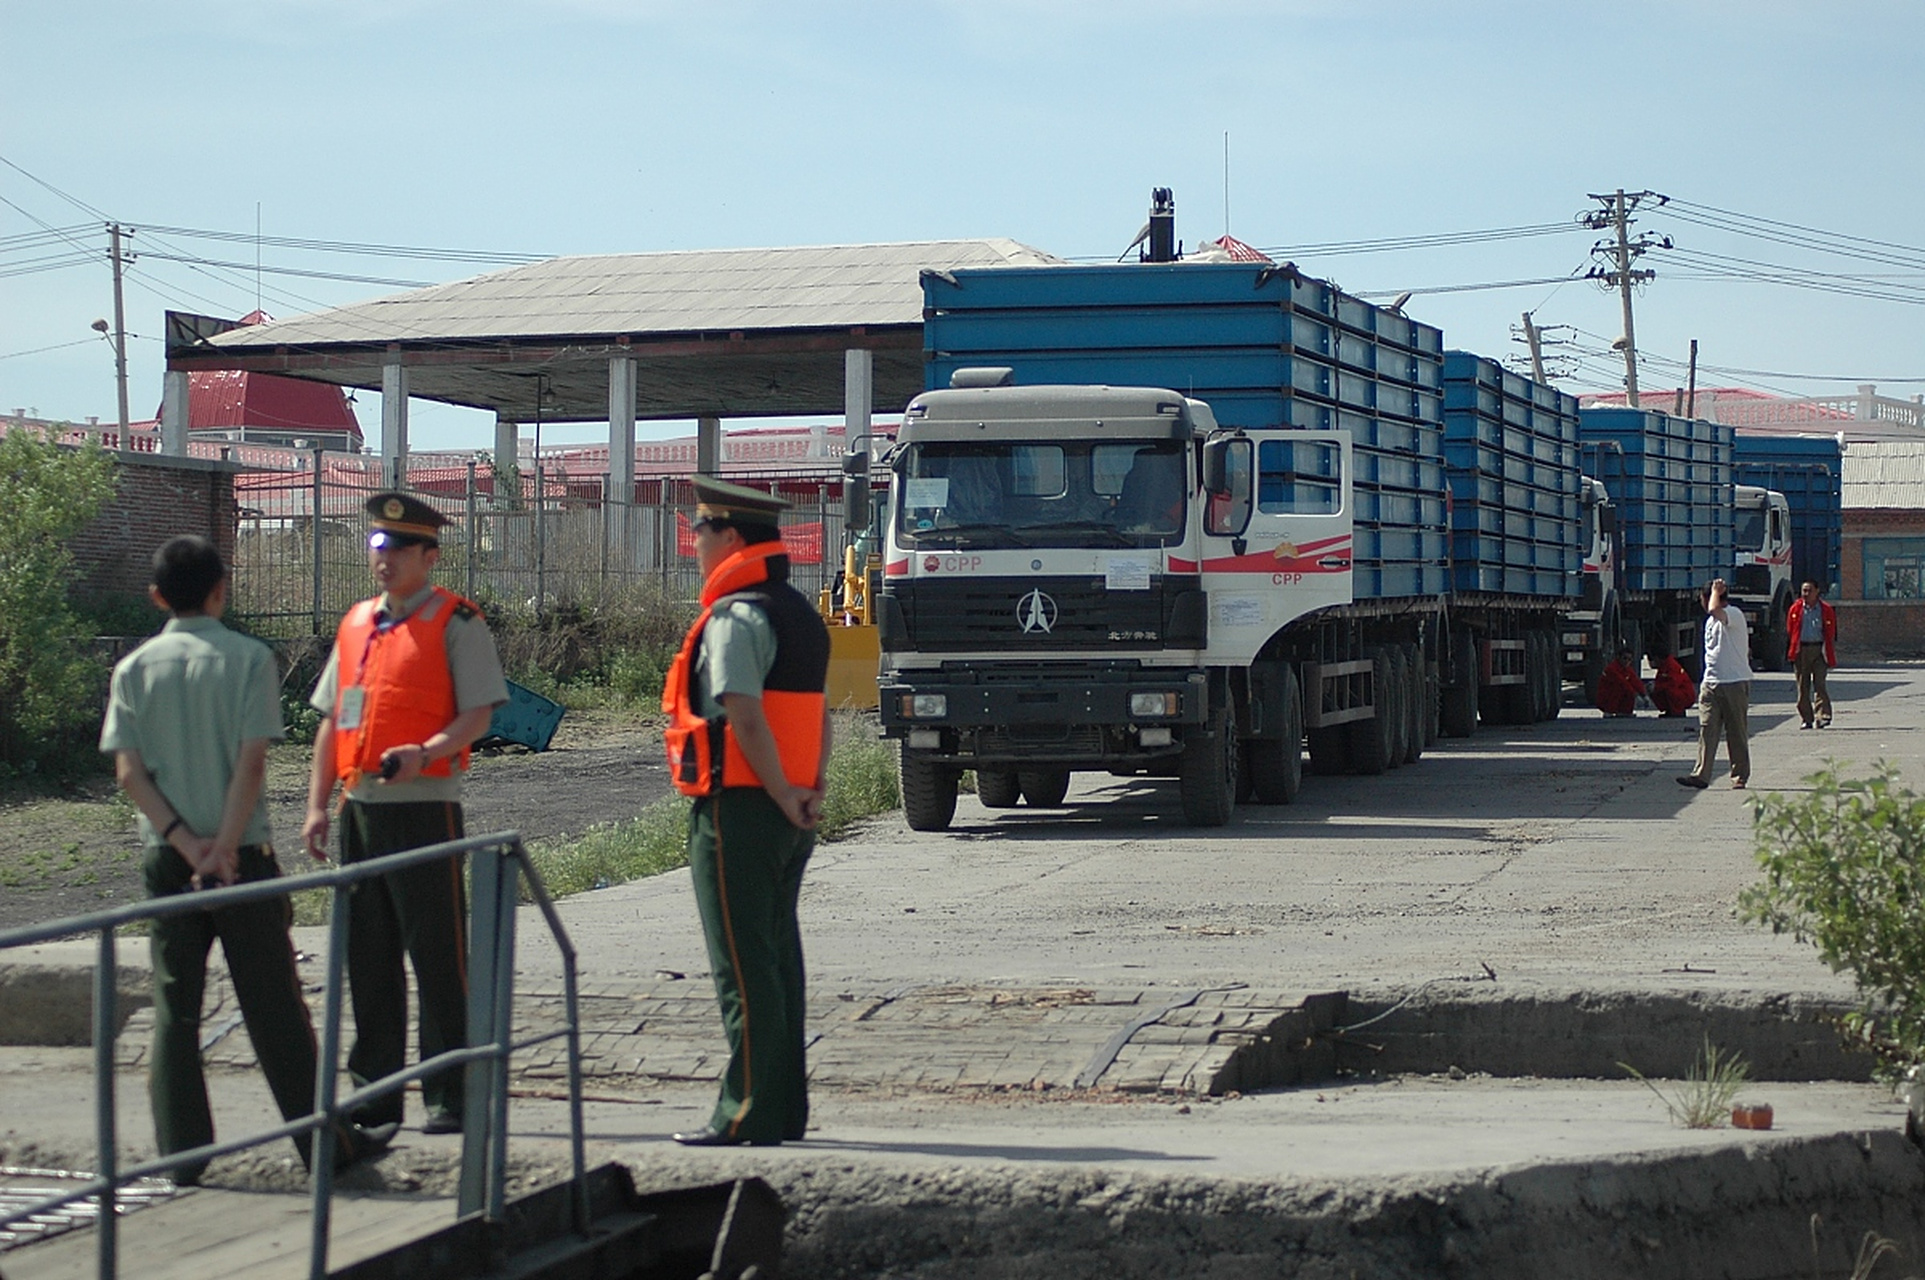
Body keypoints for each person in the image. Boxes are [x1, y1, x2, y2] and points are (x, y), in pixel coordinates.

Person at [100, 536, 392, 1184]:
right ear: (220, 590)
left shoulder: (133, 670)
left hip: (167, 858)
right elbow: (251, 761)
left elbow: (128, 772)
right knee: (275, 1006)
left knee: (176, 1006)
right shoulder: (248, 658)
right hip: (243, 858)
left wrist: (187, 844)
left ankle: (182, 1155)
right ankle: (325, 1148)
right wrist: (225, 848)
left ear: (155, 598)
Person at [303, 492, 508, 1135]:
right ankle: (375, 1093)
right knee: (367, 955)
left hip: (425, 811)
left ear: (430, 555)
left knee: (438, 957)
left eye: (396, 547)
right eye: (375, 545)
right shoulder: (357, 622)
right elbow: (334, 719)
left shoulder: (458, 622)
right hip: (359, 808)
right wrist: (315, 806)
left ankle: (449, 1093)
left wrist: (427, 752)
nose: (383, 558)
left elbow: (478, 714)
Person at [661, 477, 831, 1147]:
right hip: (787, 809)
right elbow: (818, 713)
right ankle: (781, 1109)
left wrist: (781, 792)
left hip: (739, 807)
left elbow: (742, 710)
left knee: (742, 963)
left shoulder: (736, 614)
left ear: (729, 537)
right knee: (776, 960)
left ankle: (746, 1111)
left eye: (699, 530)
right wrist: (808, 788)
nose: (693, 542)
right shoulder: (796, 611)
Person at [1678, 577, 1753, 791]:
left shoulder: (1733, 614)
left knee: (1736, 731)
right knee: (1707, 729)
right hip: (1711, 682)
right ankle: (1701, 774)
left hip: (1734, 682)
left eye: (1704, 598)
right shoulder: (1710, 622)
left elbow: (1714, 610)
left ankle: (1739, 775)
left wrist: (1715, 593)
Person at [1786, 580, 1838, 729]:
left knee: (1820, 684)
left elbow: (1831, 630)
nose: (1805, 594)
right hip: (1801, 650)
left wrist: (1827, 651)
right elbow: (1790, 629)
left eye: (1809, 590)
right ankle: (1806, 718)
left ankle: (1823, 716)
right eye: (1803, 591)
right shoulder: (1795, 609)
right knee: (1803, 686)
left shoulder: (1826, 609)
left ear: (1817, 591)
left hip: (1819, 650)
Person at [1593, 648, 1645, 717]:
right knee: (1621, 688)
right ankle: (1609, 710)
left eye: (1629, 659)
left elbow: (1635, 681)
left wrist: (1644, 694)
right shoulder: (1611, 669)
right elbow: (1622, 683)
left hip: (1616, 695)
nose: (1627, 661)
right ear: (1618, 658)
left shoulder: (1627, 669)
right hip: (1606, 698)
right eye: (1625, 658)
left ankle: (1625, 711)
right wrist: (1636, 695)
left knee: (1628, 689)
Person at [1649, 652, 1696, 718]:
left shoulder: (1672, 666)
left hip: (1686, 696)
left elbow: (1674, 683)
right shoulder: (1664, 666)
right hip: (1679, 693)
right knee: (1655, 690)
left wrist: (1657, 686)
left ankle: (1677, 711)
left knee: (1669, 690)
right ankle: (1669, 709)